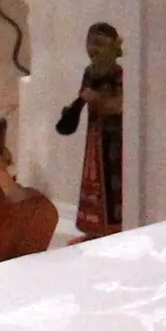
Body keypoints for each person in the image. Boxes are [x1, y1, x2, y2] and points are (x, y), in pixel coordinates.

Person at [57, 22, 125, 236]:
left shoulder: (117, 73)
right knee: (94, 178)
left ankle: (113, 227)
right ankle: (94, 228)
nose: (93, 49)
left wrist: (98, 100)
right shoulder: (90, 72)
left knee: (113, 180)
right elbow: (82, 98)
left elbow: (120, 104)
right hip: (95, 135)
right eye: (90, 43)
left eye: (99, 44)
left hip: (113, 137)